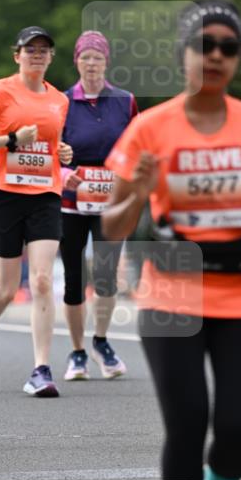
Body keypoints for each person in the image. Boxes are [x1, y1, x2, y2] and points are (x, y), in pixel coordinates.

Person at [103, 0, 241, 480]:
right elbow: (112, 226)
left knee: (240, 429)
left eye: (229, 46)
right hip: (173, 287)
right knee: (187, 421)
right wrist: (139, 192)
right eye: (206, 45)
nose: (218, 56)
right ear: (183, 54)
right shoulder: (151, 128)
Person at [0, 26, 72, 396]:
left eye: (44, 50)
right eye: (30, 49)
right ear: (17, 56)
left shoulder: (59, 100)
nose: (37, 55)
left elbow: (54, 144)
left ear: (51, 57)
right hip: (4, 195)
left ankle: (40, 370)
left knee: (43, 280)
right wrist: (13, 140)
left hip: (45, 193)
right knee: (7, 289)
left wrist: (64, 154)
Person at [59, 31, 138, 380]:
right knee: (74, 278)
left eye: (97, 57)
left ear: (107, 62)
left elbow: (138, 146)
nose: (91, 63)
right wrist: (63, 172)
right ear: (76, 61)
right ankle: (77, 352)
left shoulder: (124, 101)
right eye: (85, 57)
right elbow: (50, 149)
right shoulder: (61, 102)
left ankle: (101, 341)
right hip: (71, 200)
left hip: (111, 199)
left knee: (106, 276)